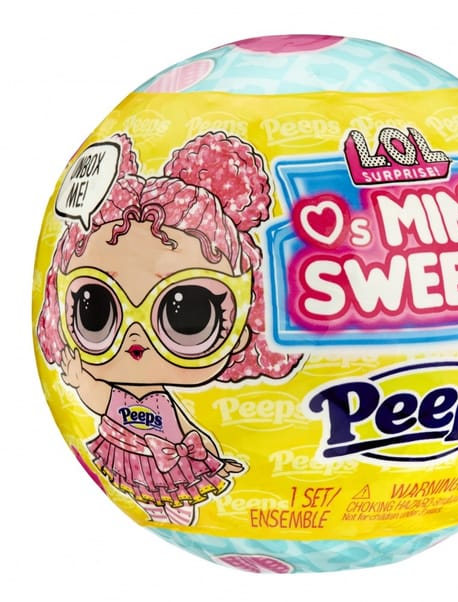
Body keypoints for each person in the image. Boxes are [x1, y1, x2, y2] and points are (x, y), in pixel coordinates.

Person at [37, 131, 301, 526]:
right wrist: (79, 378)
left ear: (247, 324)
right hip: (129, 457)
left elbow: (178, 428)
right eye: (96, 308)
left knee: (173, 499)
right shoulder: (136, 397)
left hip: (169, 467)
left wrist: (203, 455)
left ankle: (170, 508)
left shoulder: (159, 404)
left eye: (187, 313)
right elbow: (99, 400)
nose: (135, 340)